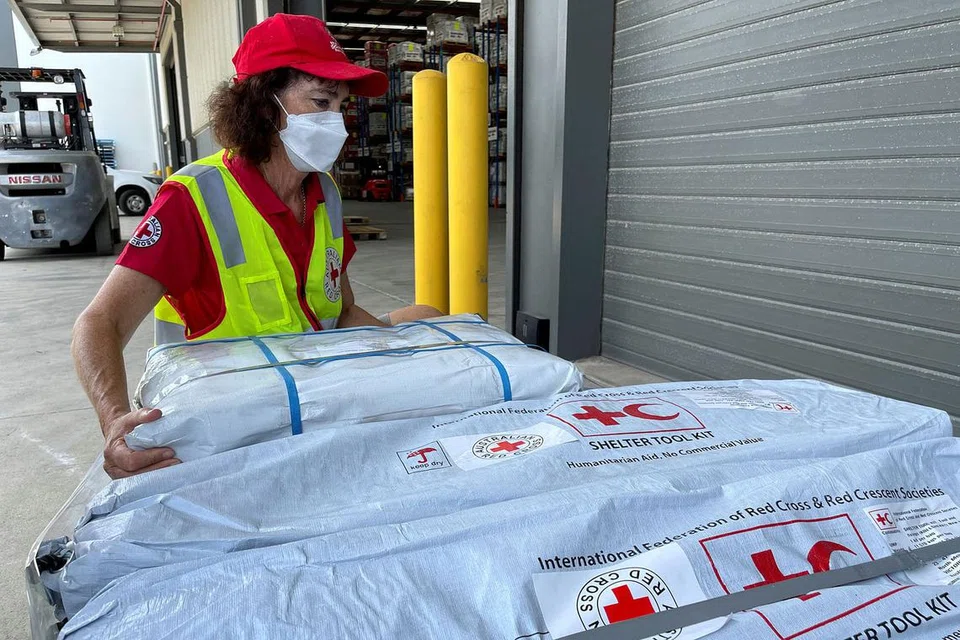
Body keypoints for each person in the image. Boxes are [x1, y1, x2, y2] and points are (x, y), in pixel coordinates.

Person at [72, 14, 441, 479]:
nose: (338, 123)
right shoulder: (194, 196)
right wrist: (114, 424)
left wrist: (416, 358)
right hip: (226, 415)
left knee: (426, 317)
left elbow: (343, 312)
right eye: (322, 102)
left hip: (313, 392)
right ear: (265, 106)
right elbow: (98, 322)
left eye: (342, 107)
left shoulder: (322, 191)